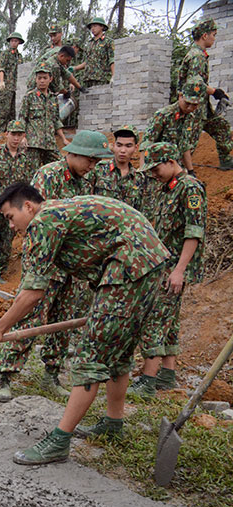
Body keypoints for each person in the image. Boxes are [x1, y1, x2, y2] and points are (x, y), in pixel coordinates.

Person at [0, 184, 169, 464]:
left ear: (28, 207)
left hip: (129, 266)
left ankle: (59, 441)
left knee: (89, 356)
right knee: (118, 349)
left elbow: (33, 292)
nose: (10, 226)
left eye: (10, 217)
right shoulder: (59, 211)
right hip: (147, 262)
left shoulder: (43, 222)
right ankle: (113, 424)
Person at [0, 131, 111, 402]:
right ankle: (5, 374)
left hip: (72, 264)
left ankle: (51, 373)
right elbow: (36, 222)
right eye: (90, 160)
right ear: (74, 153)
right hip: (45, 262)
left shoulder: (89, 179)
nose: (92, 166)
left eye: (96, 162)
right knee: (29, 316)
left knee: (64, 320)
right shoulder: (48, 175)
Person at [126, 143, 206, 401]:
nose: (154, 174)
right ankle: (167, 375)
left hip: (173, 268)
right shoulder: (169, 187)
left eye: (156, 168)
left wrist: (179, 270)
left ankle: (148, 381)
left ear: (171, 161)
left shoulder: (189, 188)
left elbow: (194, 232)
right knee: (169, 319)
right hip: (163, 265)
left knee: (154, 319)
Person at [0, 119, 34, 286]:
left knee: (6, 243)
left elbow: (27, 183)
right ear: (7, 134)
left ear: (23, 136)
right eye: (13, 134)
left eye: (19, 135)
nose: (16, 138)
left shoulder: (25, 158)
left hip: (13, 209)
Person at [178, 18, 233, 170]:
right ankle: (178, 174)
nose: (214, 38)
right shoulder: (197, 56)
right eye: (213, 35)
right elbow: (194, 82)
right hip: (192, 107)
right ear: (204, 36)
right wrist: (215, 92)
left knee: (221, 127)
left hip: (202, 107)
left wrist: (215, 94)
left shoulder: (198, 54)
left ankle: (225, 160)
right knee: (189, 143)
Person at [141, 79, 204, 176]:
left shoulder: (190, 118)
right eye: (187, 103)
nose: (190, 108)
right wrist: (143, 173)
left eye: (195, 105)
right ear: (180, 96)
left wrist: (191, 171)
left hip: (176, 167)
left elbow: (185, 146)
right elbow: (146, 144)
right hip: (159, 168)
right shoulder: (163, 115)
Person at [19, 63, 69, 170]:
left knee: (60, 168)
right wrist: (23, 137)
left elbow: (56, 121)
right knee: (31, 172)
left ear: (50, 79)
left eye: (45, 78)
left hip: (50, 143)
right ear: (35, 79)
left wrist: (64, 139)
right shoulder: (29, 97)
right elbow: (22, 118)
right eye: (39, 78)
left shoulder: (53, 98)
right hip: (33, 144)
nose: (42, 81)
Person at [85, 125, 144, 210]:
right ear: (113, 146)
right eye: (119, 145)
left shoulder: (138, 179)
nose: (123, 150)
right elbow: (85, 199)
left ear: (136, 148)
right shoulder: (98, 170)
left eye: (128, 146)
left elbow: (139, 211)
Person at [0, 32, 25, 134]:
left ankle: (11, 132)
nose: (14, 43)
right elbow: (1, 69)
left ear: (19, 42)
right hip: (7, 86)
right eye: (12, 41)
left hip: (16, 87)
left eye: (16, 41)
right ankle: (0, 132)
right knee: (4, 111)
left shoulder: (19, 57)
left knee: (13, 112)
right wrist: (1, 82)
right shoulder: (5, 54)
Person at [74, 17, 115, 87]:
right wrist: (74, 68)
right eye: (91, 27)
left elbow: (112, 59)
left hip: (101, 79)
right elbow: (86, 62)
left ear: (102, 27)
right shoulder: (89, 43)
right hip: (87, 79)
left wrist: (114, 76)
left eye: (95, 26)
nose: (92, 29)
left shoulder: (108, 42)